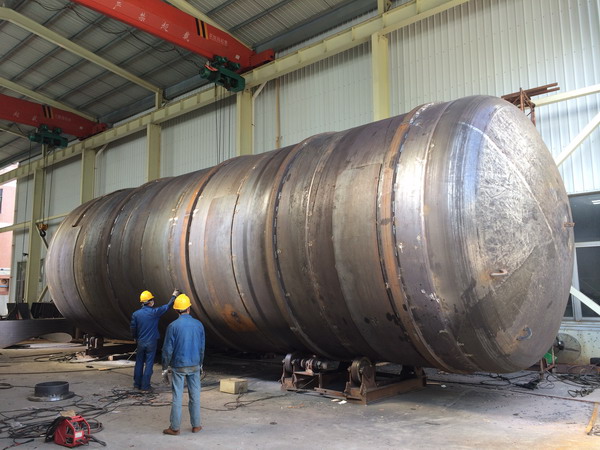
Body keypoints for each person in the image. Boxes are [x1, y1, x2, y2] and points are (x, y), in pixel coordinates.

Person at [161, 293, 205, 436]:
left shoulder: (172, 326)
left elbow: (167, 350)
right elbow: (202, 347)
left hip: (179, 366)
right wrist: (201, 363)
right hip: (195, 364)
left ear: (176, 310)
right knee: (195, 396)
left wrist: (164, 368)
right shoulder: (199, 325)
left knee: (177, 397)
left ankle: (174, 428)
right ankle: (196, 425)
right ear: (189, 309)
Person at [130, 289, 179, 390]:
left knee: (139, 362)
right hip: (151, 342)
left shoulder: (136, 314)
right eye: (152, 299)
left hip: (141, 342)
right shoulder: (155, 312)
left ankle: (137, 385)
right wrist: (174, 296)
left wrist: (135, 337)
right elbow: (167, 306)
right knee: (149, 363)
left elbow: (133, 328)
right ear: (150, 301)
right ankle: (145, 386)